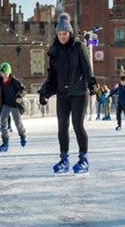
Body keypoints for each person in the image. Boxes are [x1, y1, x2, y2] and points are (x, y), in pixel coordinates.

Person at [39, 13, 98, 175]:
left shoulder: (79, 47)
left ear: (70, 33)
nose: (62, 36)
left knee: (77, 125)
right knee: (62, 127)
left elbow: (86, 68)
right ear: (57, 35)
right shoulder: (54, 51)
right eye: (60, 34)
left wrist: (92, 84)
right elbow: (52, 76)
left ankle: (83, 159)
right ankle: (64, 159)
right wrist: (44, 92)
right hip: (63, 94)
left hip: (79, 92)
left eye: (65, 33)